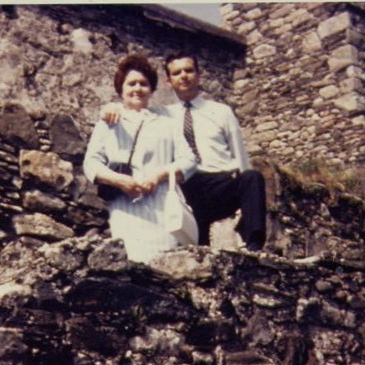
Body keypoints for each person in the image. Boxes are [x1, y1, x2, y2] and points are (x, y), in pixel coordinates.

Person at [101, 52, 266, 250]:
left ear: (198, 75)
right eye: (177, 72)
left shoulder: (222, 111)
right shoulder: (161, 114)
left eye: (189, 70)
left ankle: (255, 246)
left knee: (252, 178)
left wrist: (245, 204)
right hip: (185, 186)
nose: (184, 76)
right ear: (169, 81)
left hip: (219, 183)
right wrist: (111, 107)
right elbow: (134, 107)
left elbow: (240, 155)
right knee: (197, 249)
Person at [83, 55, 196, 263]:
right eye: (131, 83)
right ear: (121, 88)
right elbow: (91, 163)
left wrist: (158, 176)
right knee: (133, 264)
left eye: (143, 84)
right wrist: (119, 180)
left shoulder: (167, 122)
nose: (137, 89)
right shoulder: (109, 121)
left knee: (164, 267)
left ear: (152, 89)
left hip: (161, 206)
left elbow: (189, 160)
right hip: (125, 208)